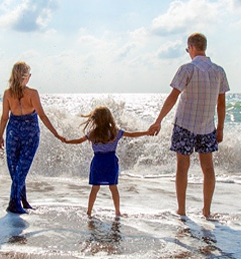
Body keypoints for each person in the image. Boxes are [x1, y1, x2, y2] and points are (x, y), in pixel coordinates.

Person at [148, 33, 230, 218]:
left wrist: (158, 120)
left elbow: (173, 97)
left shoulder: (187, 69)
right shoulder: (219, 71)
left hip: (184, 124)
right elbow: (222, 104)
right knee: (208, 168)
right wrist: (221, 128)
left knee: (182, 167)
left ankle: (182, 210)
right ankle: (206, 211)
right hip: (208, 126)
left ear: (191, 47)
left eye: (187, 49)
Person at [0, 61, 64, 214]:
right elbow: (42, 115)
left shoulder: (8, 93)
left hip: (13, 132)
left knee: (17, 169)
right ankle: (14, 203)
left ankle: (22, 201)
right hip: (29, 133)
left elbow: (4, 117)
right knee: (20, 169)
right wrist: (56, 133)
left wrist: (0, 135)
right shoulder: (32, 93)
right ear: (26, 76)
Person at [63, 106, 148, 217]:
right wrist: (147, 132)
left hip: (98, 162)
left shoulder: (93, 133)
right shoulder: (115, 132)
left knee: (95, 188)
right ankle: (117, 212)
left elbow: (79, 141)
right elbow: (132, 135)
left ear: (95, 119)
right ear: (109, 118)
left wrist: (66, 141)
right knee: (113, 187)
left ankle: (89, 212)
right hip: (110, 162)